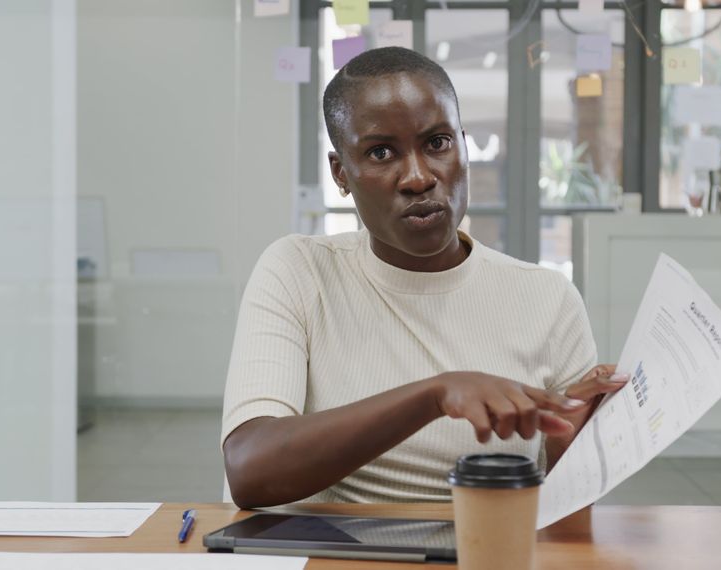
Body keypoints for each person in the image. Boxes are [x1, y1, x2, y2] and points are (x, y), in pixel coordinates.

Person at [221, 47, 626, 509]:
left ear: (463, 146)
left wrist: (566, 442)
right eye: (380, 152)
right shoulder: (299, 270)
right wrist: (433, 395)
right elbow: (251, 470)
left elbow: (572, 511)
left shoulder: (548, 299)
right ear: (342, 174)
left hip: (485, 547)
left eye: (437, 143)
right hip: (337, 553)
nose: (417, 177)